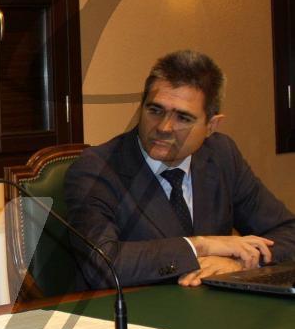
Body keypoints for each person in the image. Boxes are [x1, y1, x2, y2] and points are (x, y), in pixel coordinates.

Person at [64, 50, 295, 289]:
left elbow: (288, 231)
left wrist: (239, 263)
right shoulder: (97, 167)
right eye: (155, 110)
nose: (164, 128)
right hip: (137, 309)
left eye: (183, 118)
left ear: (211, 125)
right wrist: (200, 246)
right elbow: (101, 265)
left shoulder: (222, 155)